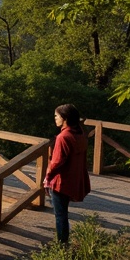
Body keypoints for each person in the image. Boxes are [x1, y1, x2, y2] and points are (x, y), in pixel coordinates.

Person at [44, 103, 90, 245]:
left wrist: (47, 178)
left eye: (56, 116)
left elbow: (56, 162)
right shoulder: (80, 133)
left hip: (61, 181)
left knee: (60, 215)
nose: (55, 119)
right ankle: (63, 242)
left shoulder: (63, 137)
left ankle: (62, 244)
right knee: (63, 213)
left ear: (64, 118)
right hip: (74, 178)